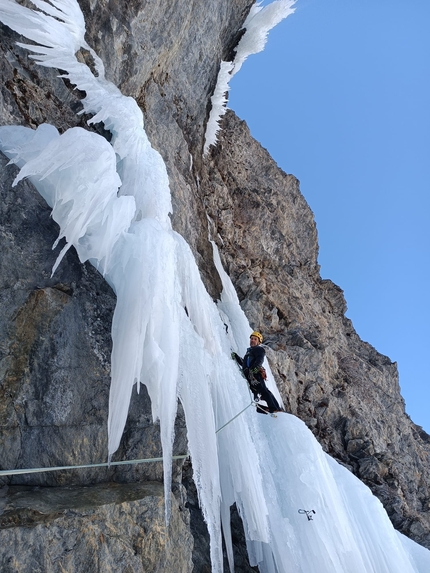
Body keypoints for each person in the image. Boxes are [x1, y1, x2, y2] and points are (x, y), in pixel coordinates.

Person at [232, 331, 282, 414]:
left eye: (255, 339)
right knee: (259, 390)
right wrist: (236, 357)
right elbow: (244, 363)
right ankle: (271, 407)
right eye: (251, 339)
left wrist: (255, 369)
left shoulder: (258, 349)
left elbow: (260, 359)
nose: (252, 340)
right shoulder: (249, 352)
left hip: (255, 375)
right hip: (250, 375)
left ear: (258, 342)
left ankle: (274, 408)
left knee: (263, 390)